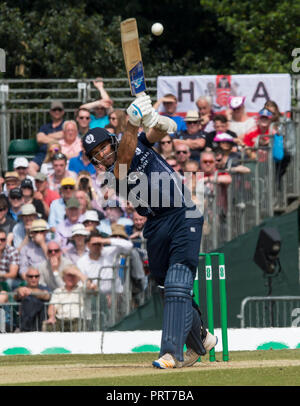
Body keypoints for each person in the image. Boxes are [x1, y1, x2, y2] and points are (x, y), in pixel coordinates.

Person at [82, 94, 217, 369]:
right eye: (96, 155)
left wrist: (156, 120)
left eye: (104, 148)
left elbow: (155, 132)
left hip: (182, 213)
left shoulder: (136, 141)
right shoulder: (111, 176)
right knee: (166, 287)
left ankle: (171, 353)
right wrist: (132, 122)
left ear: (112, 141)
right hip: (155, 224)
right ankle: (200, 339)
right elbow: (126, 157)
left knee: (179, 281)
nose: (102, 155)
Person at [77, 229, 133, 326]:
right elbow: (82, 282)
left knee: (118, 324)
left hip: (116, 295)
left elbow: (129, 246)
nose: (97, 246)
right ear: (88, 245)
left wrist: (106, 240)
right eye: (94, 244)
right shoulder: (82, 261)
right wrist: (100, 295)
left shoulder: (109, 252)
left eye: (99, 243)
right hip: (94, 296)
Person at [44, 265, 91, 332]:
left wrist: (78, 273)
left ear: (78, 278)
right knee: (50, 325)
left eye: (73, 275)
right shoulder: (58, 291)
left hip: (78, 319)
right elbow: (52, 307)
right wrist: (52, 317)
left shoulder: (83, 289)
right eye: (68, 275)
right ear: (63, 278)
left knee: (79, 326)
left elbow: (89, 286)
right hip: (61, 319)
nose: (70, 278)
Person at [28, 101, 65, 176]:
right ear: (50, 112)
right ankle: (41, 181)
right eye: (54, 110)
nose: (57, 112)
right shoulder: (45, 127)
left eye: (59, 110)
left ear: (63, 112)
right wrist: (56, 138)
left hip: (58, 153)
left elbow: (65, 134)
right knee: (30, 167)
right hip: (43, 154)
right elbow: (39, 139)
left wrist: (47, 136)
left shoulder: (65, 125)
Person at [13, 267, 50, 332]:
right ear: (26, 277)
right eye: (31, 276)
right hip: (25, 327)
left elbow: (47, 296)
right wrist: (18, 291)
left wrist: (31, 291)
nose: (34, 278)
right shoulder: (22, 288)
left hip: (40, 326)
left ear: (39, 277)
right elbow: (14, 296)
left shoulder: (44, 288)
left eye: (36, 276)